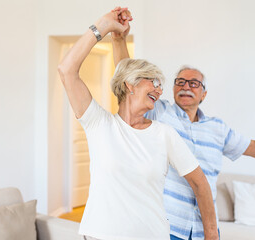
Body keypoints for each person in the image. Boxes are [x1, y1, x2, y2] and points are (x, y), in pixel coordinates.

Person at [111, 7, 255, 240]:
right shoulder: (159, 113)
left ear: (204, 94)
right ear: (172, 88)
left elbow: (253, 147)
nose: (185, 87)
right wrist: (119, 38)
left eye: (193, 83)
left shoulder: (218, 128)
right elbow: (130, 80)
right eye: (180, 82)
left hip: (205, 229)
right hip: (167, 226)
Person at [58, 9, 219, 240]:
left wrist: (211, 235)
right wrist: (103, 26)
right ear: (130, 85)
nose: (160, 90)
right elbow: (67, 70)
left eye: (161, 85)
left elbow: (200, 183)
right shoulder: (99, 124)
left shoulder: (165, 134)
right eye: (153, 82)